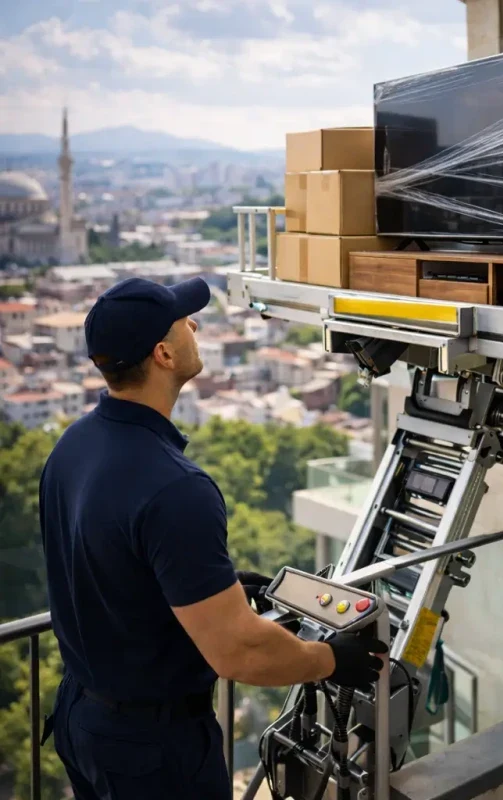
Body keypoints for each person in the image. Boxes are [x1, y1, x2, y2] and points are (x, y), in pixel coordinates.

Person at [39, 277, 387, 799]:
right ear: (162, 354)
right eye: (184, 322)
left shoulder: (73, 444)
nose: (196, 326)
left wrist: (204, 589)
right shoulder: (175, 487)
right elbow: (238, 652)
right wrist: (332, 659)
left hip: (82, 718)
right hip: (153, 748)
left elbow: (106, 567)